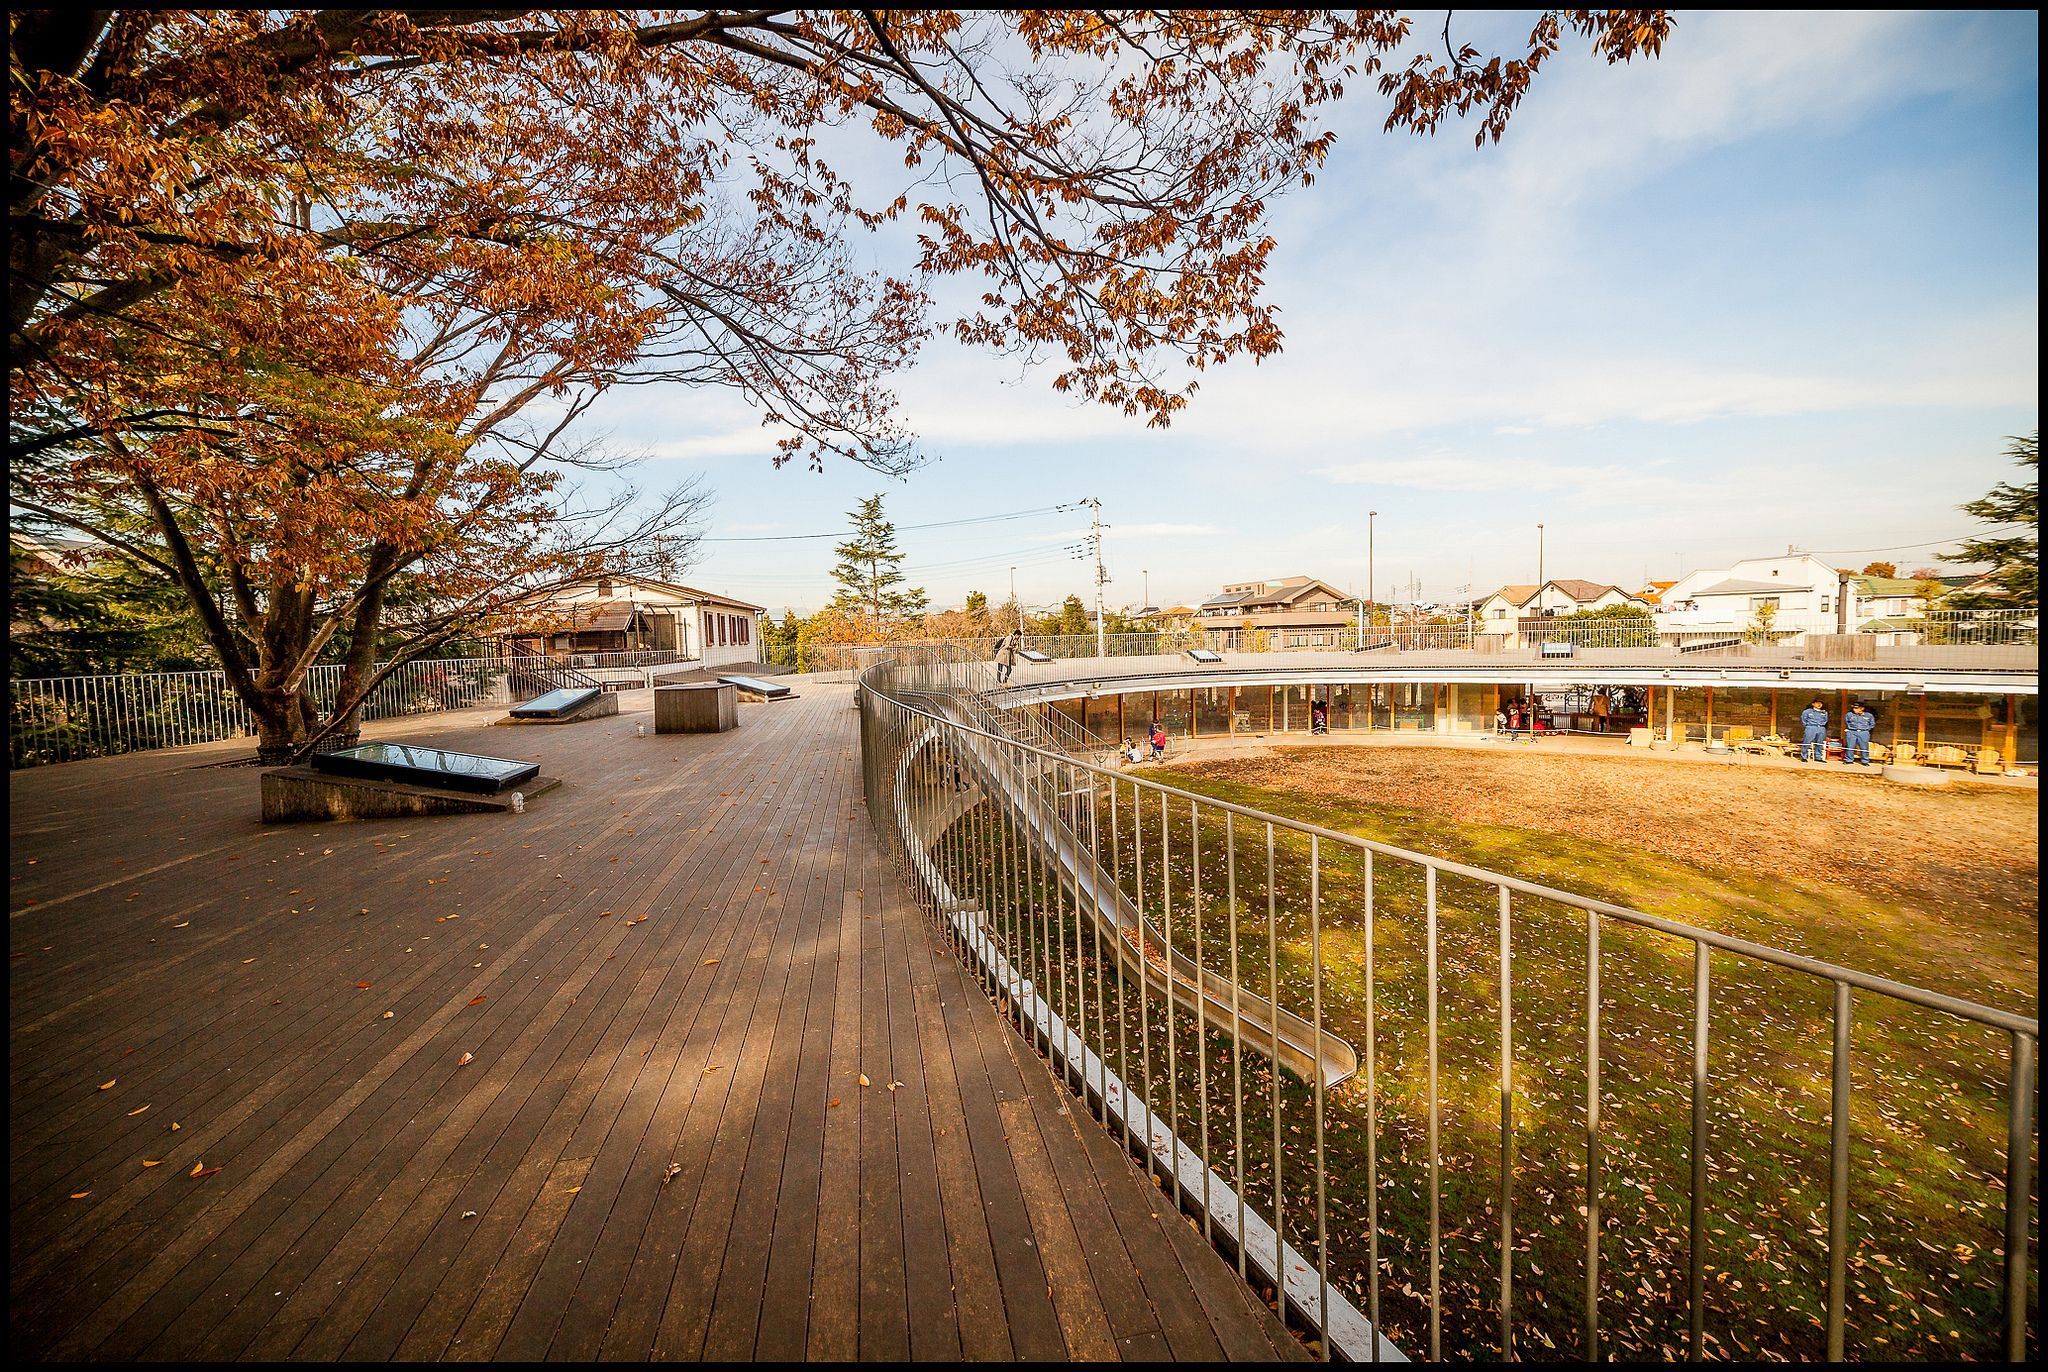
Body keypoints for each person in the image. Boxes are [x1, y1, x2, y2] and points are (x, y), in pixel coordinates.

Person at [1843, 701, 1876, 765]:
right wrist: (1849, 729)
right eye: (1854, 708)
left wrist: (1866, 730)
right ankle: (1849, 760)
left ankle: (1865, 761)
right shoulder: (1849, 714)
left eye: (1856, 708)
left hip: (1863, 732)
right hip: (1852, 731)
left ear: (1862, 708)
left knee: (1864, 747)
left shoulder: (1868, 715)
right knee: (1850, 746)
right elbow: (1846, 722)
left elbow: (1872, 724)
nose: (1854, 709)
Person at [1799, 698, 1830, 762]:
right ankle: (1804, 756)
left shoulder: (1824, 712)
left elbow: (1825, 720)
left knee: (1819, 743)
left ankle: (1818, 757)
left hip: (1821, 728)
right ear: (1813, 704)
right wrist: (1808, 726)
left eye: (1820, 703)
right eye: (1817, 703)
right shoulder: (1807, 711)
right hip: (1811, 727)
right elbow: (1803, 719)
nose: (1819, 704)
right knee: (1807, 742)